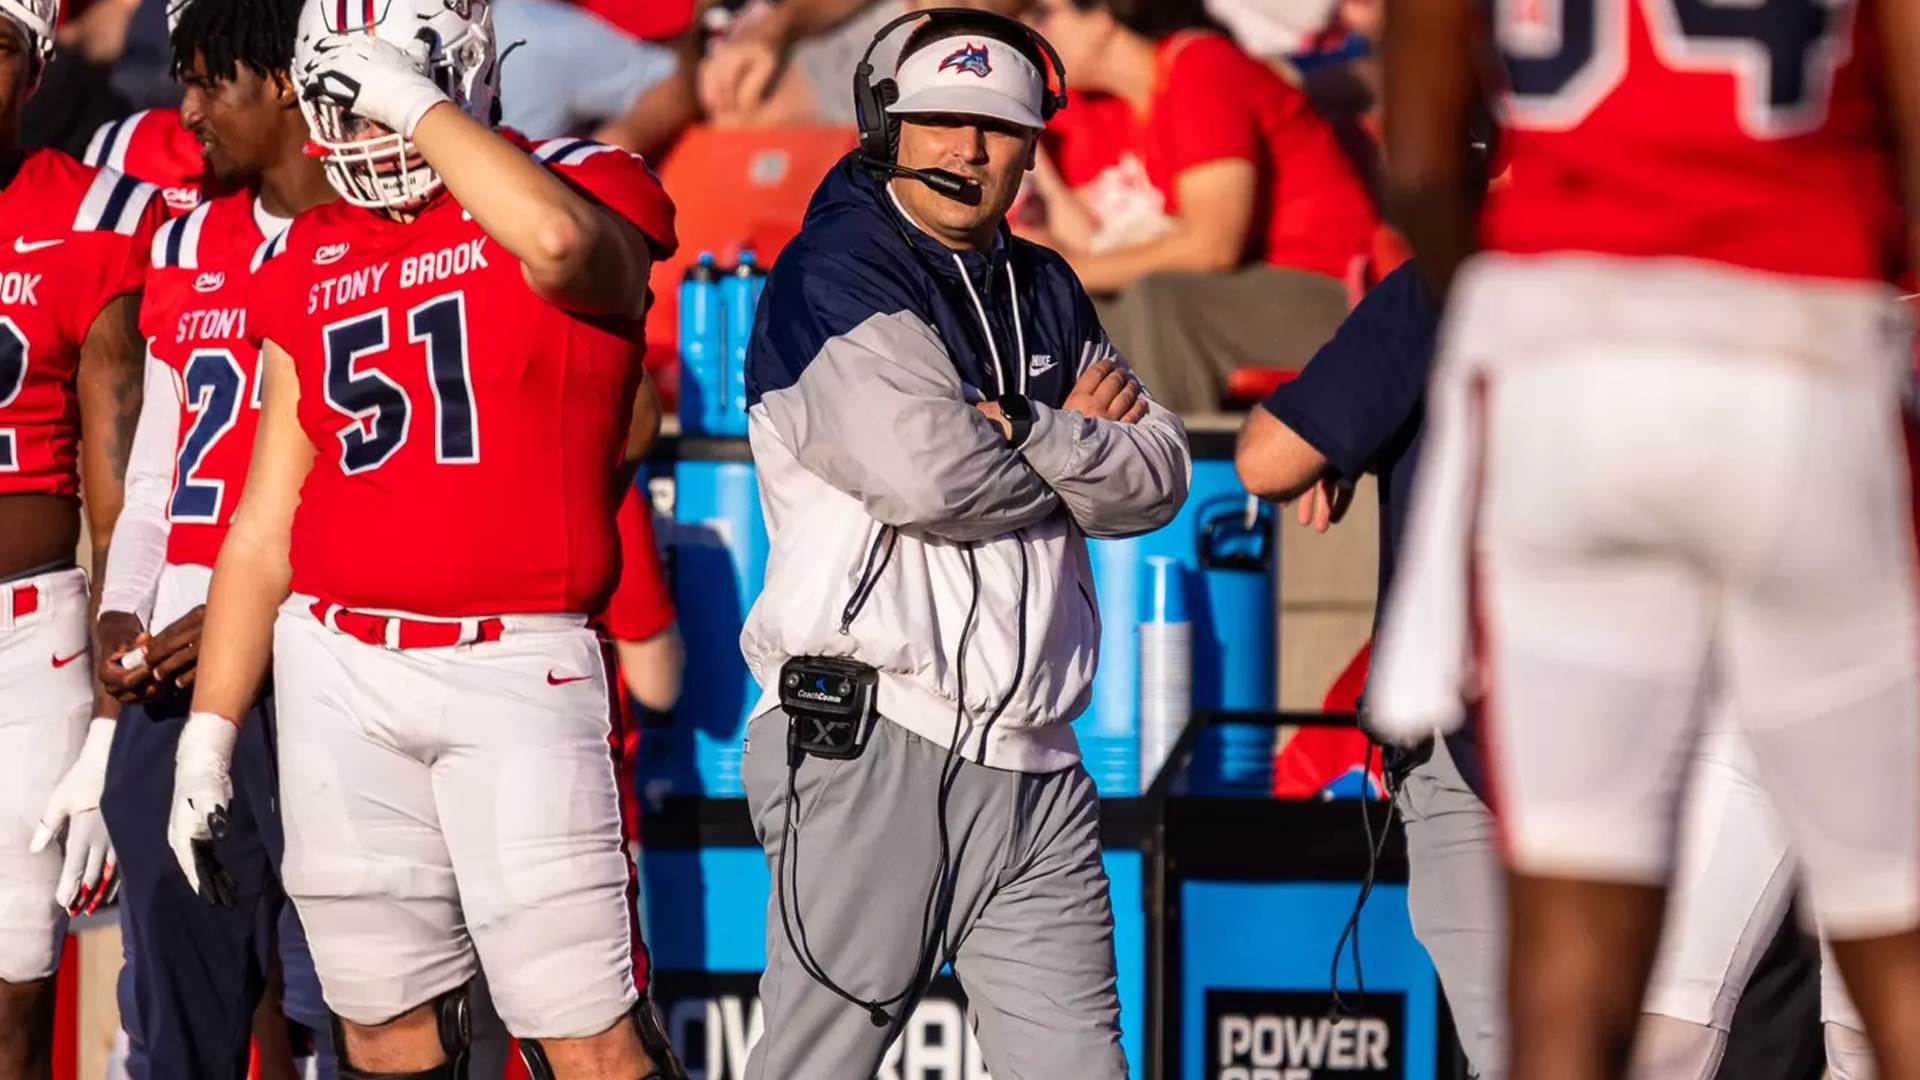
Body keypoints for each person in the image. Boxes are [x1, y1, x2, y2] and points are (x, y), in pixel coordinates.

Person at [1370, 0, 1920, 1077]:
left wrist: (1535, 322)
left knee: (1573, 933)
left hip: (1571, 370)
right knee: (1892, 926)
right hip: (1794, 345)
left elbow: (1424, 166)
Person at [164, 0, 687, 1076]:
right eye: (346, 102)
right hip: (337, 665)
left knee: (588, 1036)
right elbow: (265, 526)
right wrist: (209, 734)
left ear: (460, 75)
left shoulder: (581, 178)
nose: (367, 129)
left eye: (386, 95)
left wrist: (418, 106)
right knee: (381, 1026)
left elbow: (558, 246)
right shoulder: (309, 250)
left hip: (515, 661)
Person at [1235, 250, 1839, 1080]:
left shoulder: (1457, 273)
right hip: (1671, 732)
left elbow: (1268, 460)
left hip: (1515, 742)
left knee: (1568, 1052)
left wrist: (1335, 439)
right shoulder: (1694, 275)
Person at [737, 9, 1189, 1079]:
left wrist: (1029, 425)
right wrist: (1072, 451)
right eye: (942, 119)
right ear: (884, 125)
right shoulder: (831, 272)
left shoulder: (1047, 283)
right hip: (873, 738)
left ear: (1032, 150)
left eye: (999, 127)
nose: (968, 149)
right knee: (815, 1070)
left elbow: (1160, 474)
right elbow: (928, 480)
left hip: (1040, 764)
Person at [74, 1, 340, 1077]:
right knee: (177, 1020)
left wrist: (238, 621)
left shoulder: (375, 235)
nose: (186, 113)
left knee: (354, 1007)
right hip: (177, 677)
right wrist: (121, 613)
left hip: (323, 661)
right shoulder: (184, 240)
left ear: (281, 82)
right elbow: (157, 482)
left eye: (206, 82)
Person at [0, 0, 163, 1075]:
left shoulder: (96, 219)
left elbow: (126, 511)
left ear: (34, 65)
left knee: (14, 991)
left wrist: (112, 728)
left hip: (28, 639)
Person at [1022, 0, 1378, 412]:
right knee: (1083, 317)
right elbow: (1091, 242)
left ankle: (1168, 451)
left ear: (1102, 16)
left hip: (1339, 297)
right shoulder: (1116, 107)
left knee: (1159, 299)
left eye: (1044, 13)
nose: (1033, 31)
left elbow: (1212, 246)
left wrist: (1068, 271)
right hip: (1244, 292)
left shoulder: (1199, 65)